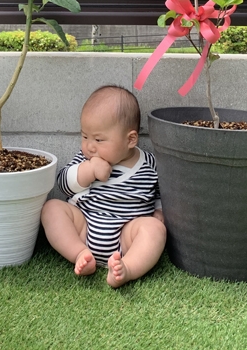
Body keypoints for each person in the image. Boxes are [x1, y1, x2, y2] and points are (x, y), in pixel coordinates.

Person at [41, 85, 166, 288]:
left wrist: (159, 211)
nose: (90, 146)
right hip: (84, 228)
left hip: (127, 237)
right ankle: (79, 254)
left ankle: (127, 268)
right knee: (51, 208)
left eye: (99, 139)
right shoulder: (85, 158)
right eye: (84, 136)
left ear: (131, 139)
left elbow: (162, 191)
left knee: (155, 229)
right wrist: (88, 171)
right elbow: (64, 183)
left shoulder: (149, 164)